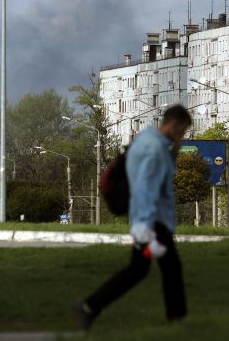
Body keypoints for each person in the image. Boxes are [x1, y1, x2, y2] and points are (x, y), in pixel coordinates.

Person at [74, 104, 192, 330]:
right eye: (182, 131)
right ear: (175, 124)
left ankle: (90, 306)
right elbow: (146, 187)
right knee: (168, 270)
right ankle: (177, 322)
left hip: (149, 219)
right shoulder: (155, 150)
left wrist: (175, 149)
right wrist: (144, 226)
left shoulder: (148, 140)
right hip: (152, 221)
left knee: (143, 270)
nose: (181, 136)